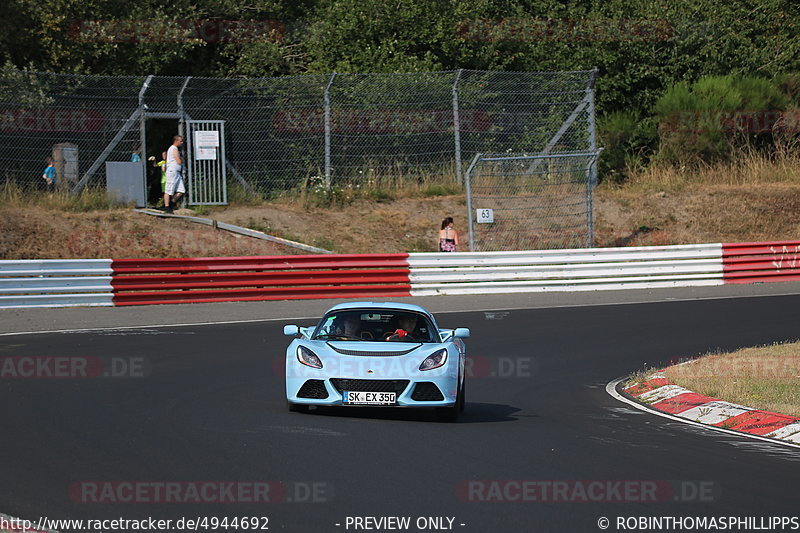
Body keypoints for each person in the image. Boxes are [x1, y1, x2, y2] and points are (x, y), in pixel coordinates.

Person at [161, 136, 185, 213]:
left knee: (181, 190)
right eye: (180, 141)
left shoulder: (174, 149)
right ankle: (167, 207)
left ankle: (172, 202)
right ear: (176, 141)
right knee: (169, 190)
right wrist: (181, 159)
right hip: (172, 171)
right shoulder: (174, 149)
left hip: (177, 172)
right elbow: (178, 161)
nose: (182, 142)